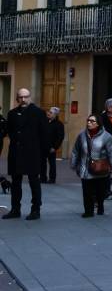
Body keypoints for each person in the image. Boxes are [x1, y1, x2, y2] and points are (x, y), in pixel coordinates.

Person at [3, 89, 48, 221]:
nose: (23, 100)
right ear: (17, 98)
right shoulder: (11, 113)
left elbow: (44, 134)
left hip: (33, 153)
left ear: (30, 97)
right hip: (16, 153)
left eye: (26, 97)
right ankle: (15, 209)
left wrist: (43, 153)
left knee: (34, 181)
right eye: (20, 97)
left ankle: (36, 210)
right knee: (16, 182)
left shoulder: (39, 113)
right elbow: (10, 132)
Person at [69, 114, 112, 218]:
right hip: (85, 168)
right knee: (87, 192)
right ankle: (88, 211)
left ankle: (100, 206)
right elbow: (75, 151)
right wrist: (74, 164)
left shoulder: (107, 136)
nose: (89, 123)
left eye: (92, 121)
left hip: (100, 168)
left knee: (100, 191)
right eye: (88, 120)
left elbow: (111, 152)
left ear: (98, 123)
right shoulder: (81, 135)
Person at [44, 107, 65, 184]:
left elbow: (60, 137)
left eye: (51, 112)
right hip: (43, 146)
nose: (48, 113)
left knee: (52, 163)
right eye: (48, 112)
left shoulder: (59, 124)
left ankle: (52, 179)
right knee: (42, 163)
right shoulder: (45, 122)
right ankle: (43, 177)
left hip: (51, 147)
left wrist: (55, 147)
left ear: (55, 115)